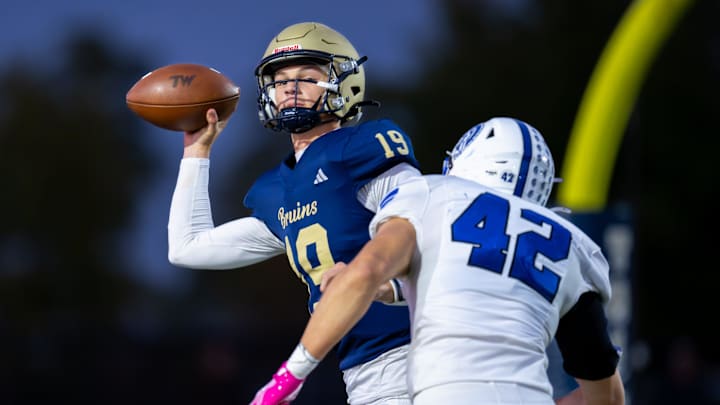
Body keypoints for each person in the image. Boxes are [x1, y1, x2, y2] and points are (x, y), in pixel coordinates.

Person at [252, 117, 626, 404]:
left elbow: (364, 272)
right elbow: (604, 391)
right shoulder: (573, 244)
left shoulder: (430, 193)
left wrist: (288, 379)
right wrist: (391, 290)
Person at [167, 22, 422, 404]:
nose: (289, 87)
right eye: (280, 78)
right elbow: (186, 247)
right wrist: (196, 152)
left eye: (307, 76)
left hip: (419, 347)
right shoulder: (276, 190)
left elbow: (427, 229)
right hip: (365, 369)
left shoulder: (362, 147)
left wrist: (388, 288)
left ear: (345, 82)